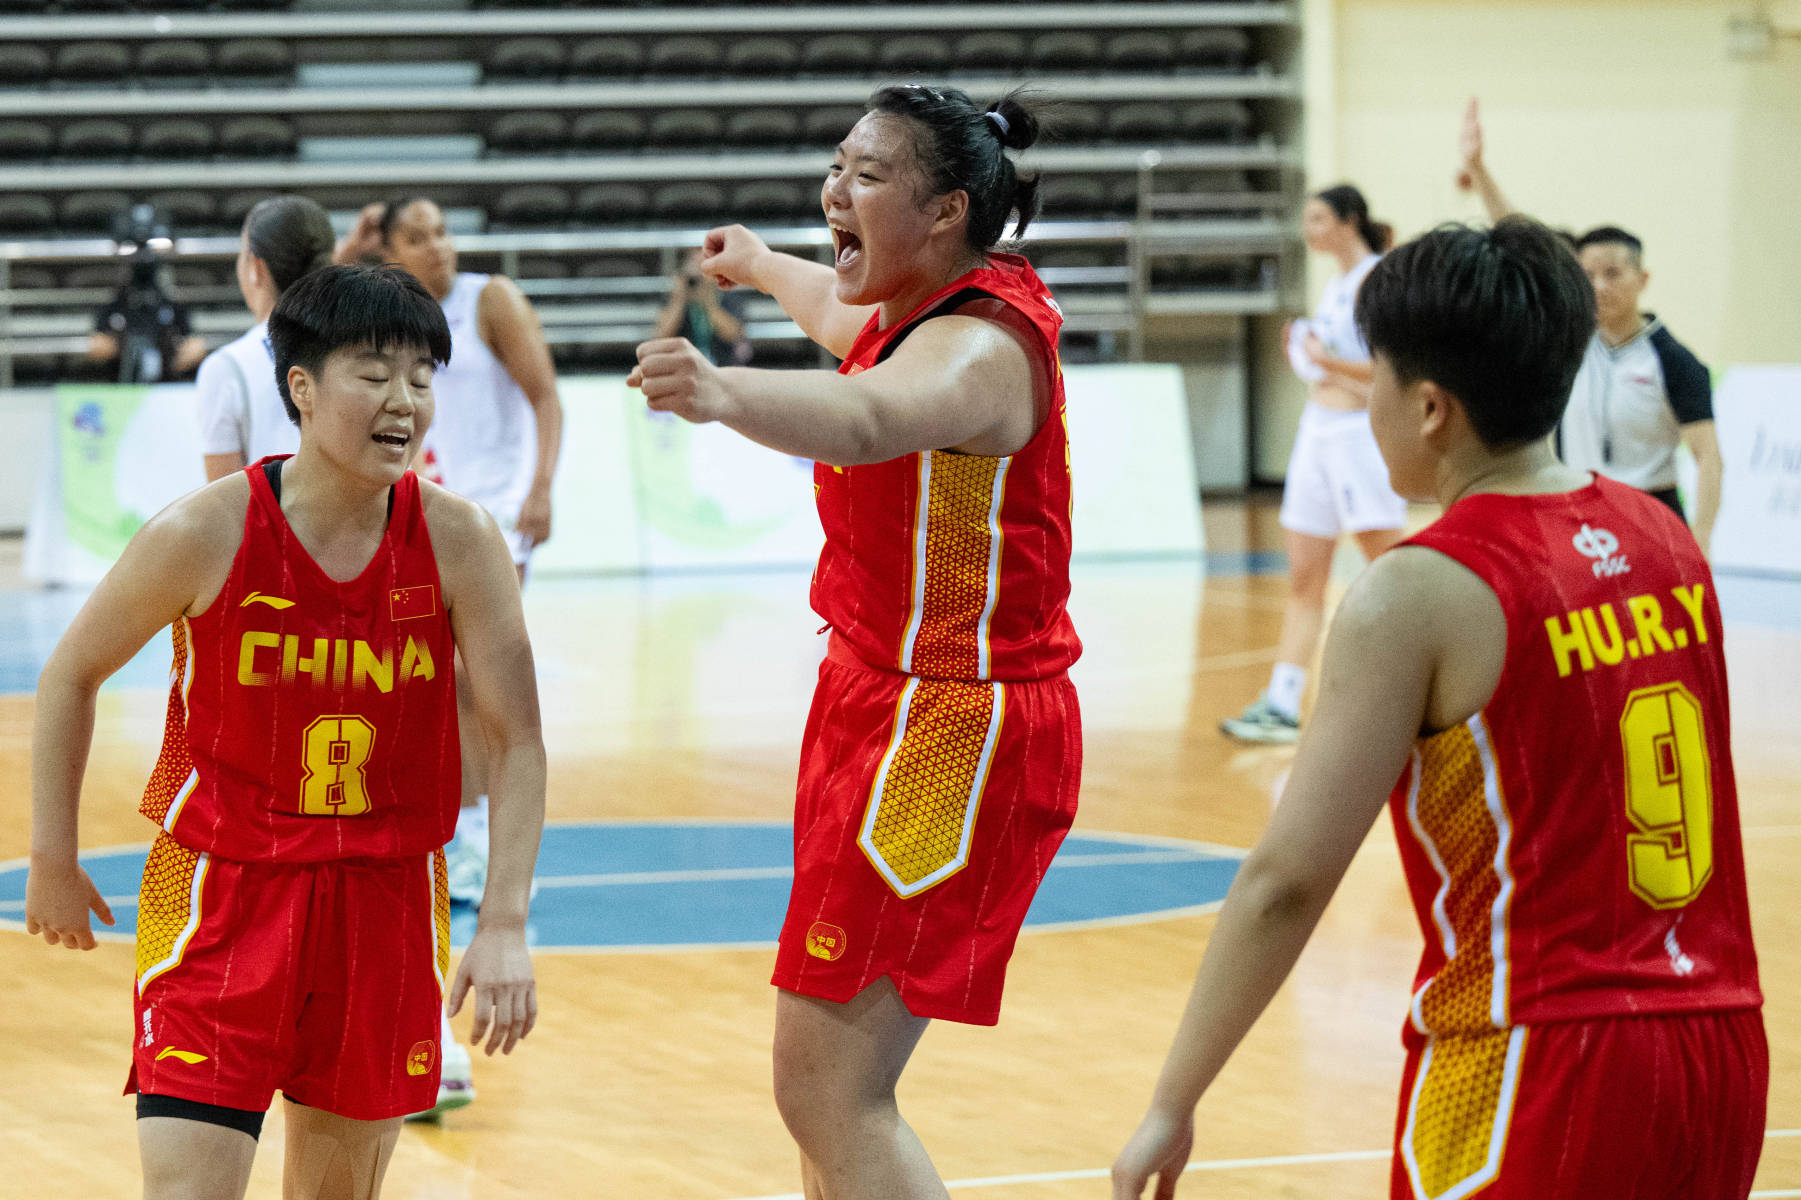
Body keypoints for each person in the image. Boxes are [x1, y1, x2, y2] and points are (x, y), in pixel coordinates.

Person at [1113, 218, 1764, 1199]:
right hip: (1720, 1044)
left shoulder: (1417, 589)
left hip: (1537, 1057)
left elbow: (1287, 879)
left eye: (1370, 374)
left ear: (1427, 407)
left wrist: (1170, 1100)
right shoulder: (1664, 539)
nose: (1358, 398)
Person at [631, 85, 1080, 1197]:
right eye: (836, 165)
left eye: (866, 175)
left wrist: (720, 390)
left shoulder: (979, 351)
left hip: (950, 725)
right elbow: (847, 330)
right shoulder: (923, 306)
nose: (835, 189)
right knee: (825, 1099)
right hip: (881, 697)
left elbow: (873, 417)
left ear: (945, 211)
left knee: (828, 1089)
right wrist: (765, 263)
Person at [24, 264, 545, 1200]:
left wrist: (502, 921)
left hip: (382, 901)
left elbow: (516, 741)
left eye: (423, 376)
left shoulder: (462, 543)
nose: (404, 401)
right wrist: (51, 858)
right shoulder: (204, 533)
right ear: (300, 388)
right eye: (374, 372)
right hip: (223, 891)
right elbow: (69, 674)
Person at [337, 195, 564, 1117]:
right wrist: (353, 253)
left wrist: (543, 487)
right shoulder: (379, 319)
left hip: (493, 514)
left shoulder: (489, 299)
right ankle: (460, 837)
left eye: (442, 230)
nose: (440, 244)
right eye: (417, 233)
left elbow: (546, 392)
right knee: (423, 692)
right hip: (408, 511)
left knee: (474, 683)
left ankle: (470, 847)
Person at [1456, 99, 1724, 554]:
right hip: (1575, 510)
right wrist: (1479, 171)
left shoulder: (1674, 361)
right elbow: (1525, 242)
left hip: (1652, 513)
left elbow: (1709, 458)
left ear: (1643, 279)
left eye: (1612, 273)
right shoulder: (1571, 337)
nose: (1598, 286)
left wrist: (1700, 540)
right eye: (1588, 275)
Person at [1220, 184, 1408, 745]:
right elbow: (1331, 364)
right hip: (1317, 433)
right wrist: (1306, 354)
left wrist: (1328, 360)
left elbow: (1389, 371)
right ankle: (1281, 702)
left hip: (1359, 438)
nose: (1309, 227)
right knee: (1305, 578)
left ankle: (1416, 691)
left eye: (1318, 217)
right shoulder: (1335, 285)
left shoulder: (1377, 281)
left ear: (1350, 221)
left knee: (1389, 570)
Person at [198, 196, 333, 482]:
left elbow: (226, 508)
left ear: (255, 267)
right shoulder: (368, 345)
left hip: (275, 525)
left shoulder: (227, 367)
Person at [656, 247, 752, 366]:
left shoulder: (728, 293)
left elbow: (733, 334)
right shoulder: (676, 296)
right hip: (684, 366)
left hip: (722, 366)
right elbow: (662, 335)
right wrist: (679, 300)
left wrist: (709, 303)